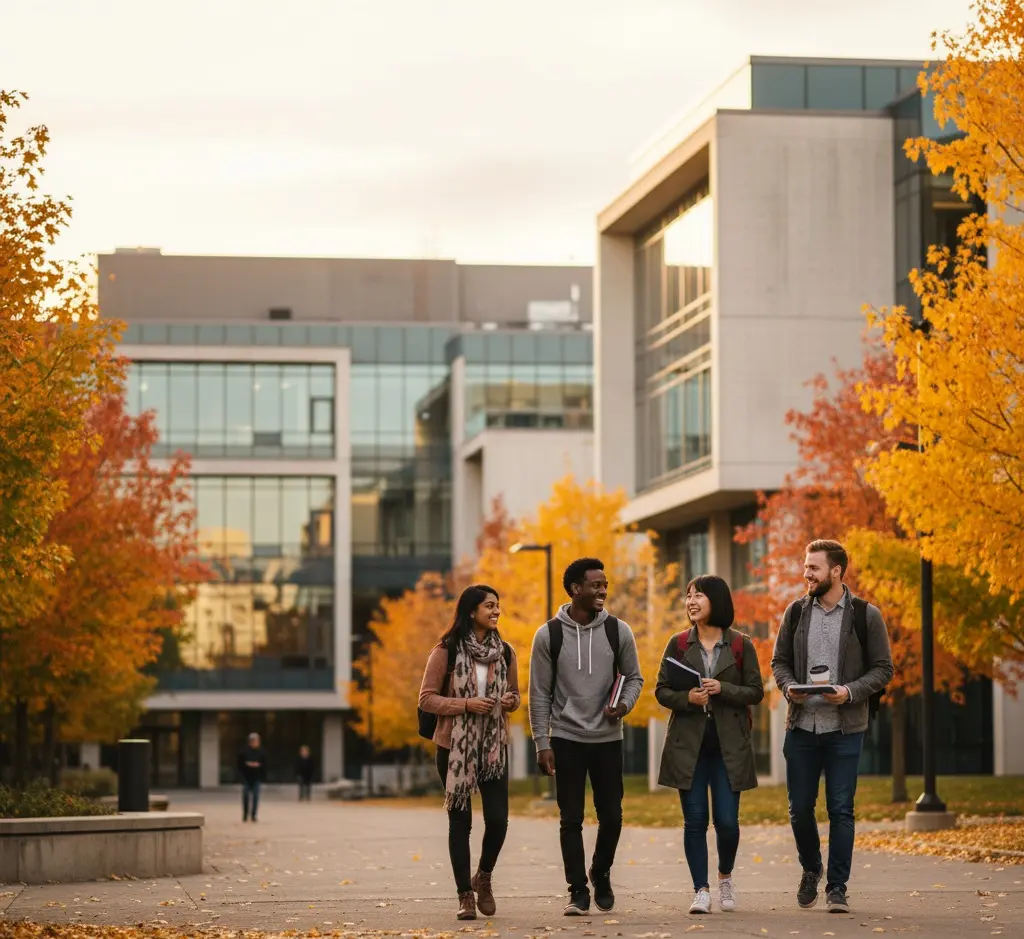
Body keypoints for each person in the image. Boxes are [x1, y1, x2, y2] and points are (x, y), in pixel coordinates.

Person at [771, 539, 893, 914]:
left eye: (813, 568)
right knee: (800, 810)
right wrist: (789, 688)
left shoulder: (864, 615)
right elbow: (779, 662)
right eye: (806, 567)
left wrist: (850, 691)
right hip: (802, 727)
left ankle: (837, 887)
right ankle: (812, 868)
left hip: (845, 730)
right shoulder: (794, 613)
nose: (806, 574)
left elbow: (883, 669)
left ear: (836, 571)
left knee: (841, 809)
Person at [529, 557, 644, 916]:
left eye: (605, 584)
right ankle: (577, 890)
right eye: (596, 585)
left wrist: (623, 705)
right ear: (575, 589)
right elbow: (539, 693)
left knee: (612, 816)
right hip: (566, 737)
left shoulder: (618, 630)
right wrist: (542, 742)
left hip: (608, 738)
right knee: (571, 819)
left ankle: (601, 871)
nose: (603, 591)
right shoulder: (549, 634)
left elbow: (635, 678)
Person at [656, 574, 764, 915]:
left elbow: (756, 692)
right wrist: (687, 697)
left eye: (698, 595)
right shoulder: (677, 644)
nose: (691, 601)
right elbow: (661, 690)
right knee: (695, 821)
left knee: (728, 822)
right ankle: (700, 889)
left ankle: (725, 877)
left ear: (717, 600)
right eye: (688, 596)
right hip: (688, 747)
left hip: (728, 748)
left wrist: (724, 689)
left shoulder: (740, 645)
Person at [418, 584, 520, 921]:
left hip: (493, 748)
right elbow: (427, 699)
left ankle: (484, 877)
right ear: (471, 610)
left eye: (498, 605)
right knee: (460, 823)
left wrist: (510, 701)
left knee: (498, 820)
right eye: (489, 605)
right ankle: (464, 895)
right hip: (454, 748)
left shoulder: (505, 651)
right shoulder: (445, 651)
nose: (495, 611)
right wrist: (466, 704)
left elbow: (515, 696)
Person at [237, 732, 267, 823]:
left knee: (255, 797)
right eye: (254, 741)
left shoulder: (262, 752)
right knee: (245, 796)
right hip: (246, 777)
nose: (256, 743)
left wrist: (259, 766)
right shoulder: (244, 752)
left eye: (257, 741)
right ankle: (245, 814)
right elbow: (239, 764)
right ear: (250, 742)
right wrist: (247, 765)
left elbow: (265, 764)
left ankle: (253, 815)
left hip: (256, 777)